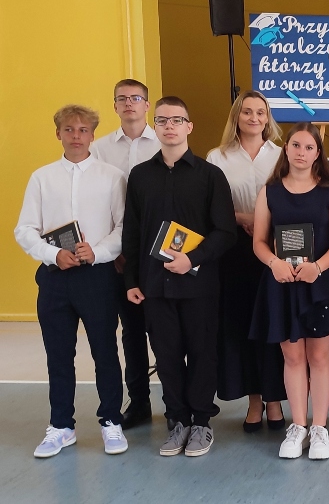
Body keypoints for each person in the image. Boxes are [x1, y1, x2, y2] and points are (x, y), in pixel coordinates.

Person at [122, 96, 237, 458]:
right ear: (154, 126)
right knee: (167, 356)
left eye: (176, 120)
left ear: (189, 126)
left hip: (199, 285)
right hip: (155, 286)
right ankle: (178, 422)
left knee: (202, 354)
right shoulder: (140, 176)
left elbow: (225, 232)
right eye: (162, 120)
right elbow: (132, 233)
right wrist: (131, 280)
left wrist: (192, 259)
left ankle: (201, 422)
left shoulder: (210, 175)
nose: (169, 126)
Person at [15, 105, 129, 457]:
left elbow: (124, 227)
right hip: (55, 278)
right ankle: (61, 426)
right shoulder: (42, 177)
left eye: (82, 130)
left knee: (105, 351)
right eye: (69, 129)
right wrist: (53, 255)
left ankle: (111, 421)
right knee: (58, 355)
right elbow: (25, 229)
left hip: (98, 276)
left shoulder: (112, 177)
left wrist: (98, 251)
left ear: (92, 135)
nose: (76, 135)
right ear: (58, 134)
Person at [249, 123, 329, 460]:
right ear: (286, 149)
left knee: (319, 357)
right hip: (281, 284)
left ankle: (319, 428)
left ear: (318, 153)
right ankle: (299, 426)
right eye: (295, 145)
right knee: (292, 358)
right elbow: (259, 241)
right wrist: (273, 263)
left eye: (309, 147)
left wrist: (317, 267)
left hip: (318, 284)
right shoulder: (269, 192)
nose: (301, 152)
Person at [206, 91, 286, 432]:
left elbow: (293, 196)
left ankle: (275, 400)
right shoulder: (217, 156)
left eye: (260, 112)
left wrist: (265, 221)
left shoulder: (282, 155)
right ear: (236, 117)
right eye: (247, 112)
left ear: (268, 118)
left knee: (273, 324)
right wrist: (242, 218)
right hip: (235, 248)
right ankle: (254, 401)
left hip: (274, 248)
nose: (254, 118)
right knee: (242, 326)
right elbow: (210, 204)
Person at [91, 78, 161, 430]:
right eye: (122, 98)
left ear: (147, 105)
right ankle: (139, 402)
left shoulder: (164, 142)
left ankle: (178, 401)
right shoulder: (99, 149)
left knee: (166, 331)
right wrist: (115, 251)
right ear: (115, 105)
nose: (129, 103)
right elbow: (96, 204)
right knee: (132, 332)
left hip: (160, 255)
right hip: (118, 256)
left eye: (136, 98)